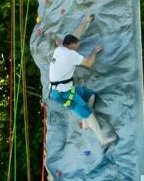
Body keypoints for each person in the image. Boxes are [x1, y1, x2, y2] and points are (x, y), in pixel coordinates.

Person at [48, 14, 116, 146]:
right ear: (71, 45)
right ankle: (103, 139)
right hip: (62, 94)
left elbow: (75, 35)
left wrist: (85, 21)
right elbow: (88, 63)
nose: (78, 47)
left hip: (66, 88)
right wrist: (95, 51)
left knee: (90, 96)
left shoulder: (60, 47)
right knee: (89, 113)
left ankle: (85, 123)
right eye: (77, 46)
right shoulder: (70, 54)